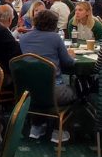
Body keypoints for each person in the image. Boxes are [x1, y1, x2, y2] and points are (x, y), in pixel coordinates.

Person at [19, 11, 78, 142]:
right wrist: (72, 57)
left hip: (27, 92)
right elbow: (67, 62)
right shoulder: (55, 38)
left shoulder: (23, 38)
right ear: (54, 24)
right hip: (53, 91)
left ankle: (37, 126)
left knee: (39, 82)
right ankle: (58, 131)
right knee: (74, 91)